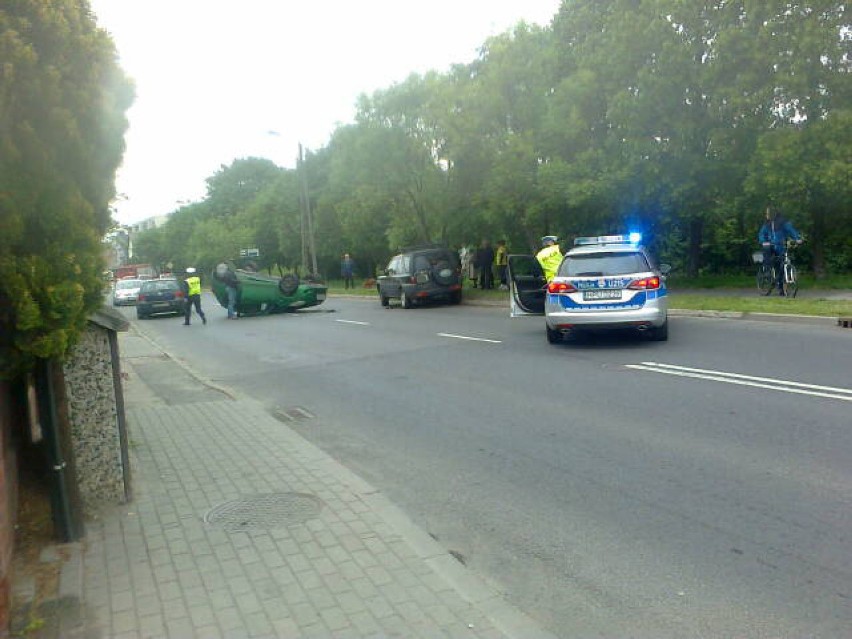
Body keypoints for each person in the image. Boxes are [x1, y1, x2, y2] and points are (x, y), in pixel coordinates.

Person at [758, 206, 803, 296]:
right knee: (767, 252)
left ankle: (781, 287)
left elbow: (791, 230)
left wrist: (798, 238)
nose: (766, 215)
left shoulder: (782, 222)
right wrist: (764, 241)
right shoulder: (766, 224)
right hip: (770, 246)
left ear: (772, 214)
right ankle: (767, 272)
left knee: (783, 264)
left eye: (767, 213)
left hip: (781, 246)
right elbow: (762, 234)